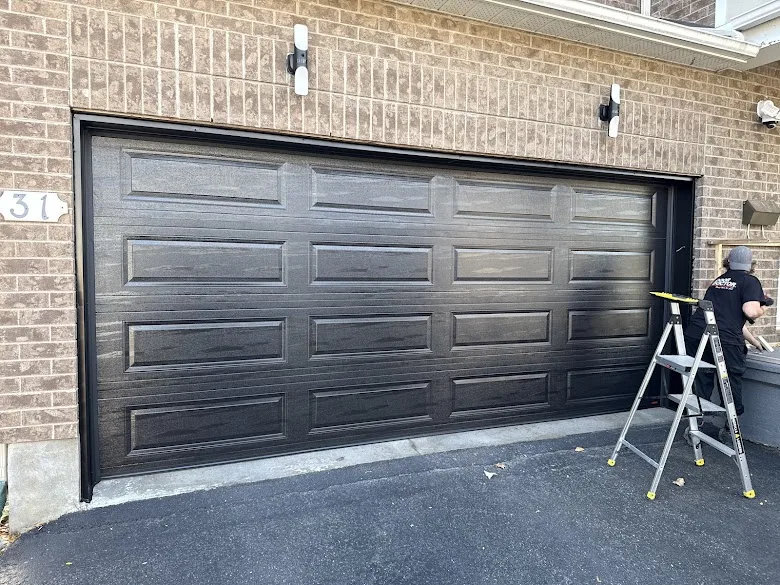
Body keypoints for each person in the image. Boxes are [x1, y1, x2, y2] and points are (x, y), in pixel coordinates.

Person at [683, 246, 767, 444]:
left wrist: (754, 341)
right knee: (729, 381)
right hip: (724, 341)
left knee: (701, 378)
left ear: (728, 262)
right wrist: (762, 307)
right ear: (751, 264)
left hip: (697, 334)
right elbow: (751, 311)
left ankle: (695, 426)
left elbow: (728, 319)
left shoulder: (719, 281)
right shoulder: (750, 281)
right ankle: (730, 429)